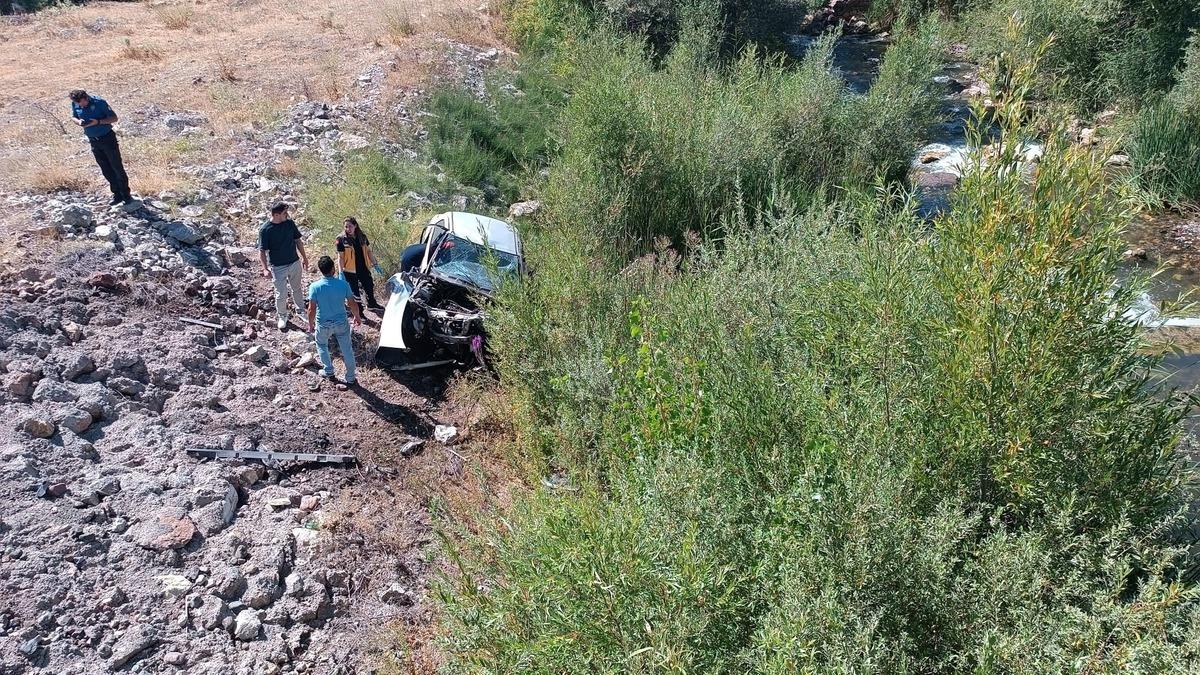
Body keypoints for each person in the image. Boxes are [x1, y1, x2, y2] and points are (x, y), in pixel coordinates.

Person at [69, 90, 132, 206]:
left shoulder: (99, 102)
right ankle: (116, 194)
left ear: (86, 97)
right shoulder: (75, 103)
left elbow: (114, 118)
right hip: (93, 141)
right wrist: (79, 122)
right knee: (105, 169)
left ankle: (126, 195)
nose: (81, 105)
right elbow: (73, 116)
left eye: (82, 102)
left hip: (107, 138)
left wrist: (98, 122)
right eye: (78, 104)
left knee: (116, 167)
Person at [306, 255, 361, 385]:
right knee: (347, 349)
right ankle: (350, 377)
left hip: (323, 323)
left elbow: (311, 309)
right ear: (333, 269)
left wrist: (310, 324)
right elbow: (352, 303)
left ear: (321, 270)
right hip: (341, 322)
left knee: (322, 345)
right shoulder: (343, 284)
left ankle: (329, 371)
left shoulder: (314, 287)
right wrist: (357, 316)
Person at [258, 203, 309, 331]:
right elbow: (262, 251)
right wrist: (265, 269)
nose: (287, 215)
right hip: (278, 267)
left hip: (294, 262)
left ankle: (300, 311)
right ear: (276, 215)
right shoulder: (266, 230)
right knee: (281, 294)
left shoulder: (289, 224)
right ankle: (282, 315)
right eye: (284, 213)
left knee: (297, 288)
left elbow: (298, 241)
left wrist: (304, 257)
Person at [335, 217, 385, 312]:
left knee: (369, 285)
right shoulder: (341, 239)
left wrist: (375, 264)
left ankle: (371, 304)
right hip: (350, 270)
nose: (348, 229)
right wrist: (341, 272)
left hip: (363, 267)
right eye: (346, 227)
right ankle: (359, 313)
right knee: (355, 292)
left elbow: (368, 251)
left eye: (350, 226)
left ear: (355, 226)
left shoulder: (362, 237)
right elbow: (340, 257)